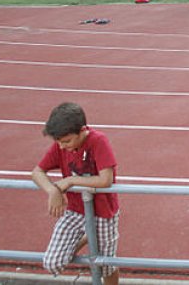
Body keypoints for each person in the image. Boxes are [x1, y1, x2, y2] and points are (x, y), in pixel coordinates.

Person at [31, 102, 120, 285]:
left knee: (106, 266)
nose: (62, 146)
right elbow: (37, 172)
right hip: (75, 211)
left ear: (82, 130)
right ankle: (89, 236)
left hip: (103, 213)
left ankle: (92, 236)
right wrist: (53, 190)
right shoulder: (60, 146)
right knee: (52, 262)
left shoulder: (98, 141)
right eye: (58, 142)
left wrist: (71, 180)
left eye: (67, 141)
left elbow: (106, 180)